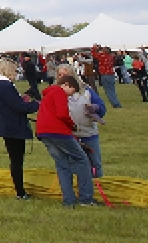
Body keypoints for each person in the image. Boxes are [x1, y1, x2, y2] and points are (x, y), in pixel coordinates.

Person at [36, 75, 93, 206]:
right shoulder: (59, 92)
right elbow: (62, 114)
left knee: (62, 165)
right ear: (66, 85)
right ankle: (86, 198)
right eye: (72, 91)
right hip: (58, 132)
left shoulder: (48, 94)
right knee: (82, 159)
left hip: (44, 133)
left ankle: (69, 200)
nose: (70, 95)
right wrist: (72, 125)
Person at [0, 58, 39, 200]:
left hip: (6, 126)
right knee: (17, 160)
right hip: (13, 127)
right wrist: (37, 105)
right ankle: (20, 192)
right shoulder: (4, 85)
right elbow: (19, 107)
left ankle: (20, 190)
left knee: (15, 159)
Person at [63, 69, 105, 183]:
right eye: (60, 75)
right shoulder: (57, 94)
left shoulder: (86, 91)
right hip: (69, 135)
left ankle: (99, 187)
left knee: (95, 162)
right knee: (73, 163)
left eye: (66, 75)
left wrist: (95, 108)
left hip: (89, 132)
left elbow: (102, 108)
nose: (63, 78)